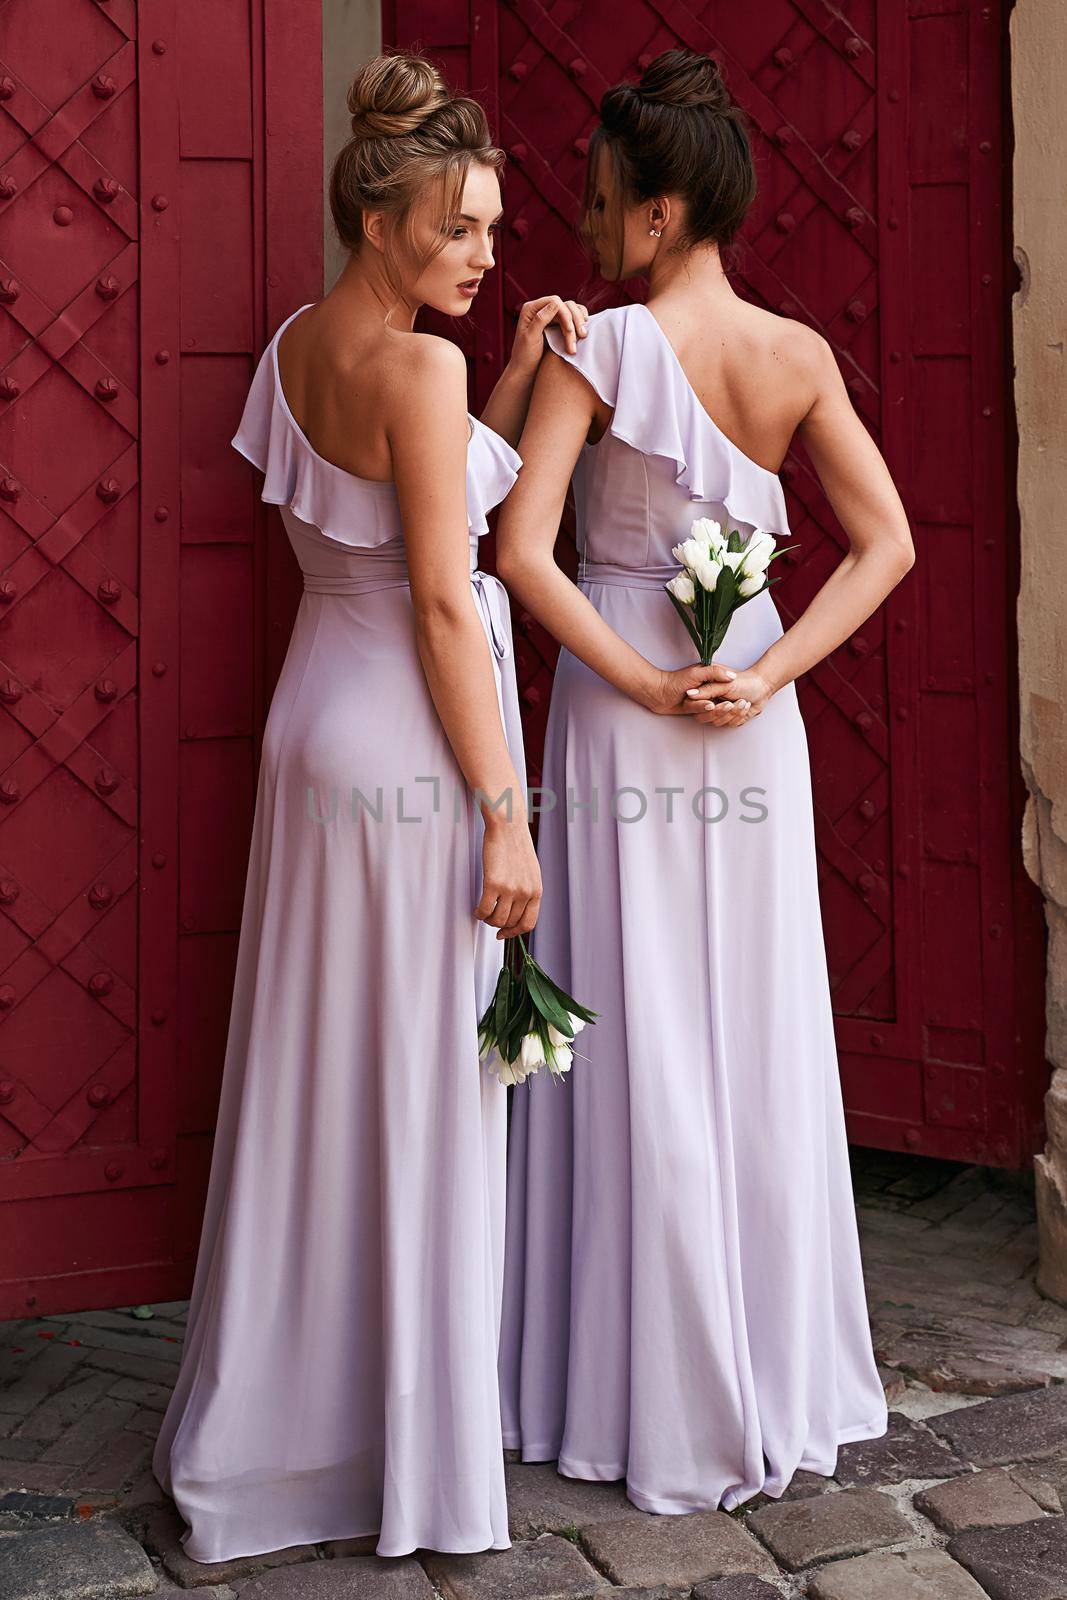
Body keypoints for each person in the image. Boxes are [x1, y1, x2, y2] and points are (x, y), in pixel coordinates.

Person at [152, 50, 588, 1562]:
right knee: (414, 1084)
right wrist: (510, 814)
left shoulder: (298, 348)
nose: (486, 250)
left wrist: (518, 368)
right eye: (463, 227)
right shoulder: (422, 367)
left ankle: (285, 1439)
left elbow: (402, 493)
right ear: (388, 220)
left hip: (308, 729)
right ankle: (401, 1454)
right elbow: (447, 601)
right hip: (407, 750)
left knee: (317, 1075)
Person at [496, 47, 913, 1514]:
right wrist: (771, 671)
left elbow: (519, 555)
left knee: (642, 1033)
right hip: (748, 731)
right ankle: (762, 1371)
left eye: (606, 204)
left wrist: (651, 681)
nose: (592, 226)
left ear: (664, 213)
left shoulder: (602, 351)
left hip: (626, 723)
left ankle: (631, 1387)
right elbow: (886, 546)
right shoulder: (795, 354)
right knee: (740, 1032)